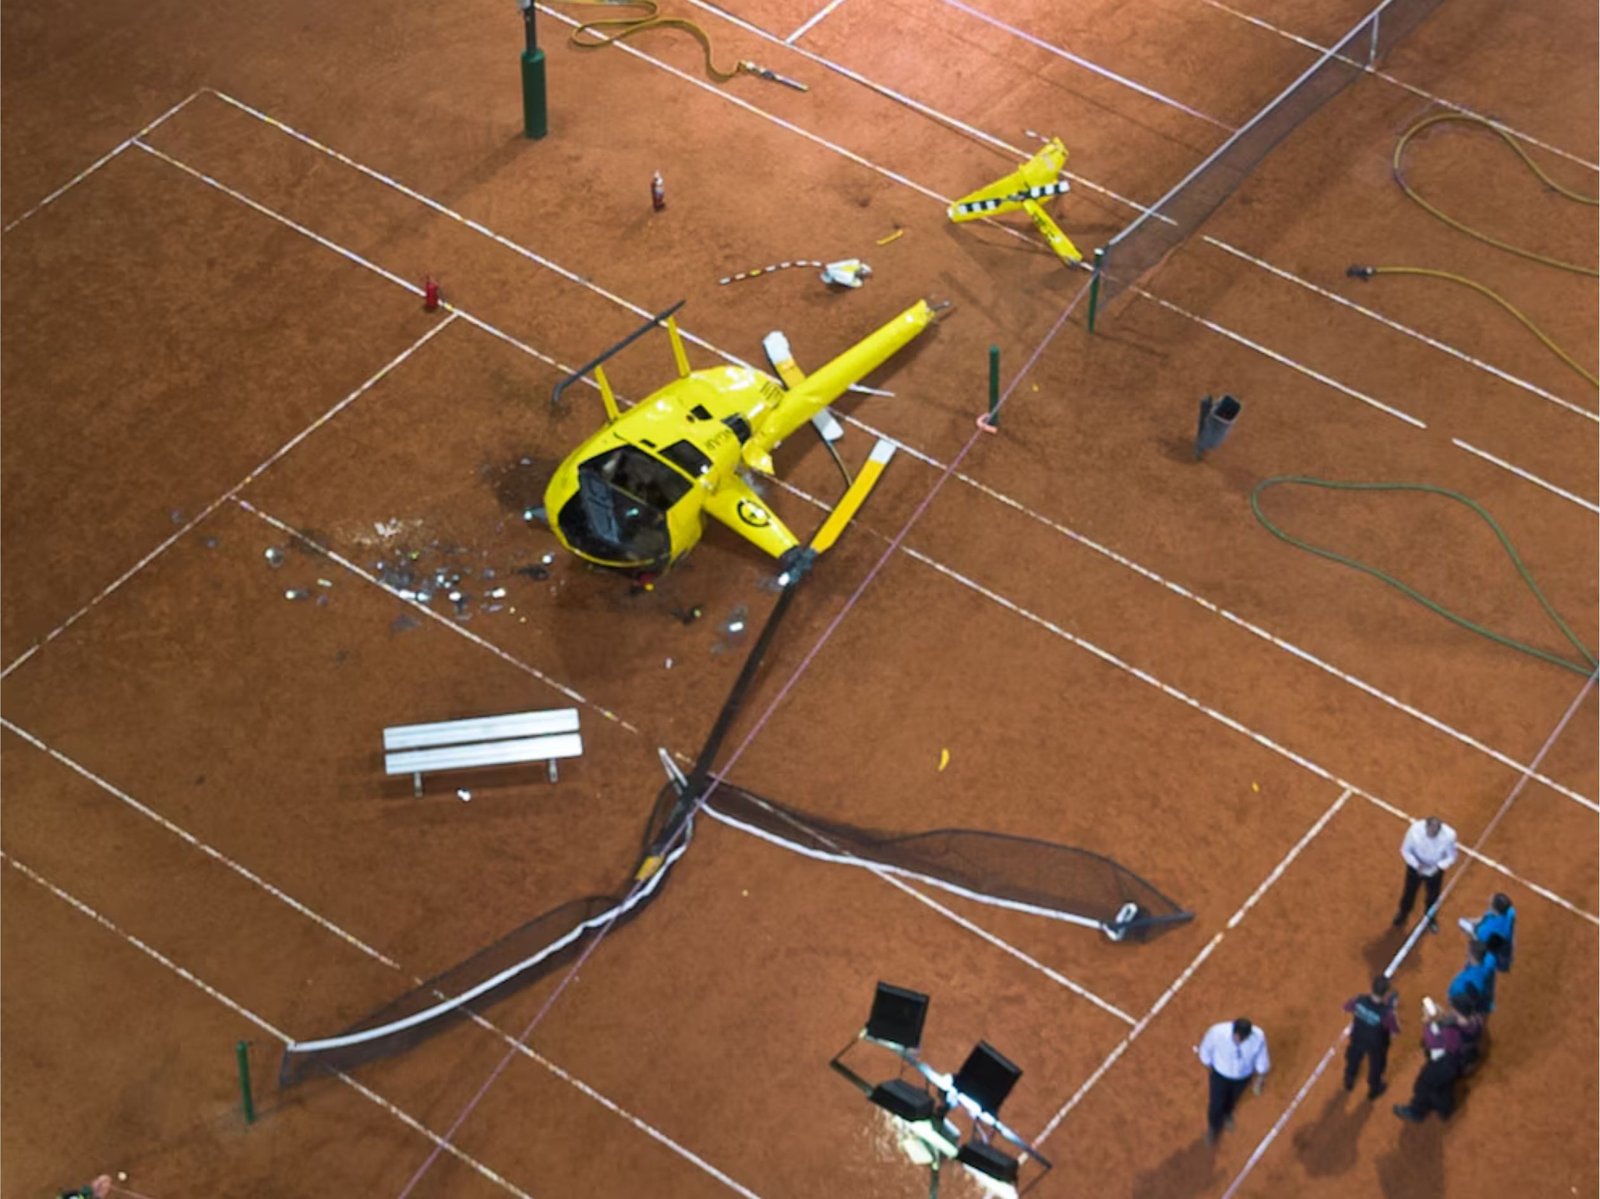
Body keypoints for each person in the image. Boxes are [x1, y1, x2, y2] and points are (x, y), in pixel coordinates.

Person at [1196, 1017, 1270, 1145]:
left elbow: (1261, 1060)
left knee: (1233, 1099)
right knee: (1216, 1105)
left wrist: (1259, 1080)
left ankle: (1227, 1114)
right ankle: (1213, 1128)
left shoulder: (1258, 1037)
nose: (1240, 1040)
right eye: (1238, 1037)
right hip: (1220, 1075)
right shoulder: (1217, 1032)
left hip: (1242, 1077)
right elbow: (1205, 1050)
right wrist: (1210, 1068)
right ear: (1233, 1031)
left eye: (1243, 1038)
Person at [1393, 816, 1458, 933]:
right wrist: (1417, 865)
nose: (1433, 833)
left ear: (1440, 829)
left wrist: (1438, 867)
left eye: (1436, 831)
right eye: (1431, 830)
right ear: (1426, 826)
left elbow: (1451, 857)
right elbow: (1405, 850)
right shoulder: (1414, 830)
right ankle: (1403, 913)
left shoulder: (1449, 836)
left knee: (1433, 896)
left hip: (1435, 870)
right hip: (1415, 867)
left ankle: (1430, 918)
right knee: (1409, 892)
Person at [1342, 974, 1400, 1098]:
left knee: (1353, 1060)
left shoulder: (1359, 1000)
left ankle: (1349, 1080)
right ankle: (1374, 1089)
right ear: (1385, 994)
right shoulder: (1387, 1014)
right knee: (1376, 1066)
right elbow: (1395, 1031)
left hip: (1357, 1038)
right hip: (1377, 1045)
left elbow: (1346, 1007)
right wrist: (1392, 1008)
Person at [1457, 893, 1515, 971]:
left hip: (1496, 951)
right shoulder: (1509, 911)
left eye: (1492, 902)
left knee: (1476, 954)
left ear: (1495, 910)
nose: (1489, 900)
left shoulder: (1488, 931)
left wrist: (1469, 931)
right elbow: (1485, 918)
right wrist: (1471, 921)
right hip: (1503, 943)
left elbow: (1478, 942)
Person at [1447, 939, 1499, 1015]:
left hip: (1467, 1009)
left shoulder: (1461, 982)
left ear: (1471, 956)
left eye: (1468, 953)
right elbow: (1490, 955)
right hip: (1484, 1004)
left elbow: (1451, 998)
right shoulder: (1489, 964)